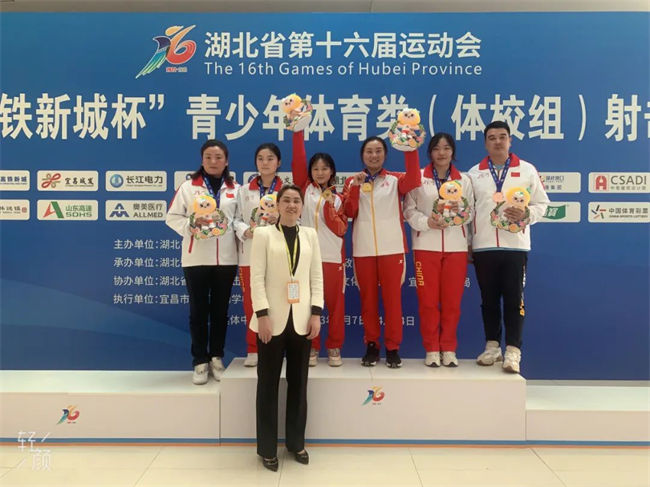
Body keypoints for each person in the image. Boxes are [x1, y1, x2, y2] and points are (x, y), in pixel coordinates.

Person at [249, 184, 323, 471]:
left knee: (299, 384)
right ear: (277, 205)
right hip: (271, 320)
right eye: (287, 200)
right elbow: (257, 278)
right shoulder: (263, 234)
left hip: (302, 321)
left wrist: (315, 313)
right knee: (267, 385)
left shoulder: (310, 235)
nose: (292, 205)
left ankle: (296, 443)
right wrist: (262, 315)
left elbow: (316, 277)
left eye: (296, 201)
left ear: (302, 206)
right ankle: (267, 448)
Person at [468, 121, 550, 374]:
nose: (497, 141)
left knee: (514, 300)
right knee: (488, 300)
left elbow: (542, 204)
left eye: (502, 137)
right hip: (484, 247)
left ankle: (513, 351)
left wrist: (526, 214)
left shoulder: (527, 170)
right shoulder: (474, 174)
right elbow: (468, 213)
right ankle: (492, 347)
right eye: (492, 138)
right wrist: (469, 244)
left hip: (515, 247)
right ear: (485, 143)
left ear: (510, 140)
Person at [342, 136, 421, 368]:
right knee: (368, 301)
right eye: (369, 151)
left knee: (392, 301)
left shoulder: (395, 179)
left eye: (378, 151)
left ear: (385, 155)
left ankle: (393, 347)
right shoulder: (352, 181)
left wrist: (410, 147)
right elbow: (349, 212)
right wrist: (355, 188)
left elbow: (414, 180)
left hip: (392, 249)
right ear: (362, 155)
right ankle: (372, 345)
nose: (374, 155)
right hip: (363, 250)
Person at [166, 139, 240, 384]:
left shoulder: (235, 189)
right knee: (198, 311)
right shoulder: (189, 187)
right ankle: (199, 360)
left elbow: (238, 220)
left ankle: (216, 357)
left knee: (220, 311)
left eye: (218, 157)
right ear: (202, 160)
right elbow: (172, 217)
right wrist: (191, 224)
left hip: (226, 259)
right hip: (196, 257)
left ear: (226, 161)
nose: (213, 161)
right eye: (208, 157)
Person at [404, 133, 474, 367]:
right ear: (430, 152)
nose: (441, 153)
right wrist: (427, 223)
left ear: (453, 152)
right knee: (428, 302)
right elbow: (409, 211)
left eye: (446, 148)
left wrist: (456, 216)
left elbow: (471, 212)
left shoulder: (464, 181)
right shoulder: (418, 178)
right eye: (436, 148)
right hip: (425, 247)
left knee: (452, 303)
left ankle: (449, 348)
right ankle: (432, 348)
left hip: (456, 248)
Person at [291, 129, 348, 367]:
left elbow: (341, 229)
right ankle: (311, 347)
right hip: (306, 258)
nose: (320, 172)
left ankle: (334, 347)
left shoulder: (340, 197)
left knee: (335, 307)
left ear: (332, 171)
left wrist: (330, 207)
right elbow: (298, 160)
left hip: (333, 259)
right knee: (307, 305)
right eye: (316, 168)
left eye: (325, 168)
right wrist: (298, 131)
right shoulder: (304, 189)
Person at [234, 143, 284, 367]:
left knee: (278, 300)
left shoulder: (286, 189)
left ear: (278, 162)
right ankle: (253, 348)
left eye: (270, 158)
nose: (265, 162)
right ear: (255, 162)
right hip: (250, 254)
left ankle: (276, 348)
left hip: (278, 253)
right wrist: (245, 231)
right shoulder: (244, 191)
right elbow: (235, 219)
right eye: (261, 158)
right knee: (251, 303)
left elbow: (297, 218)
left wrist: (279, 220)